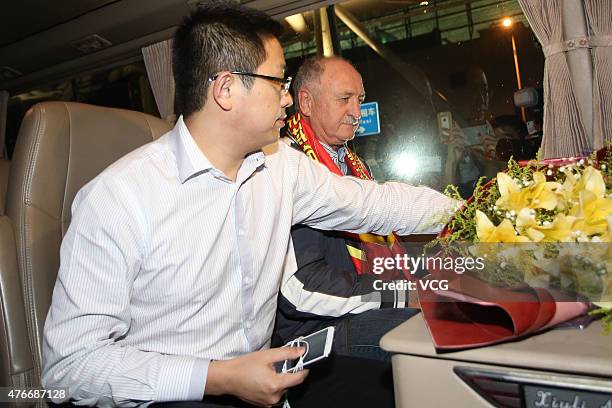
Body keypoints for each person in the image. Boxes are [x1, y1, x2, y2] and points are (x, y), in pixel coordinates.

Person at [42, 2, 455, 407]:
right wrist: (217, 378)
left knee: (422, 385)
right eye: (279, 83)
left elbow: (375, 204)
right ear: (225, 90)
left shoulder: (281, 169)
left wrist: (474, 210)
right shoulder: (119, 198)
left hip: (267, 378)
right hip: (173, 394)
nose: (290, 100)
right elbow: (70, 367)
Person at [273, 57, 428, 363]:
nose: (357, 112)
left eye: (359, 100)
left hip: (355, 307)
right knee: (431, 329)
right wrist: (402, 294)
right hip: (312, 332)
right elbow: (304, 286)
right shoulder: (286, 166)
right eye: (344, 99)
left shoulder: (354, 165)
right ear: (306, 101)